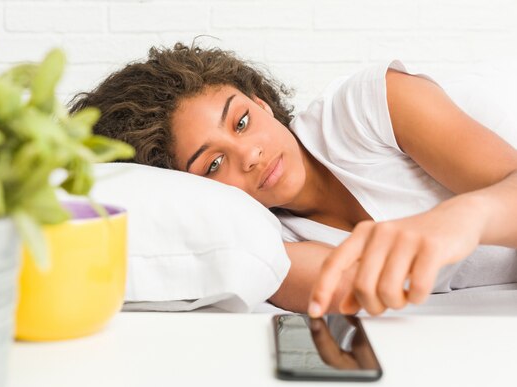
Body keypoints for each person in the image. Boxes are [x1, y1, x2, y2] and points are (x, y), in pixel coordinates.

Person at [69, 43, 517, 317]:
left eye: (241, 122)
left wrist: (465, 217)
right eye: (212, 165)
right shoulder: (267, 238)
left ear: (261, 102)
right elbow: (350, 292)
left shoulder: (369, 106)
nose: (250, 155)